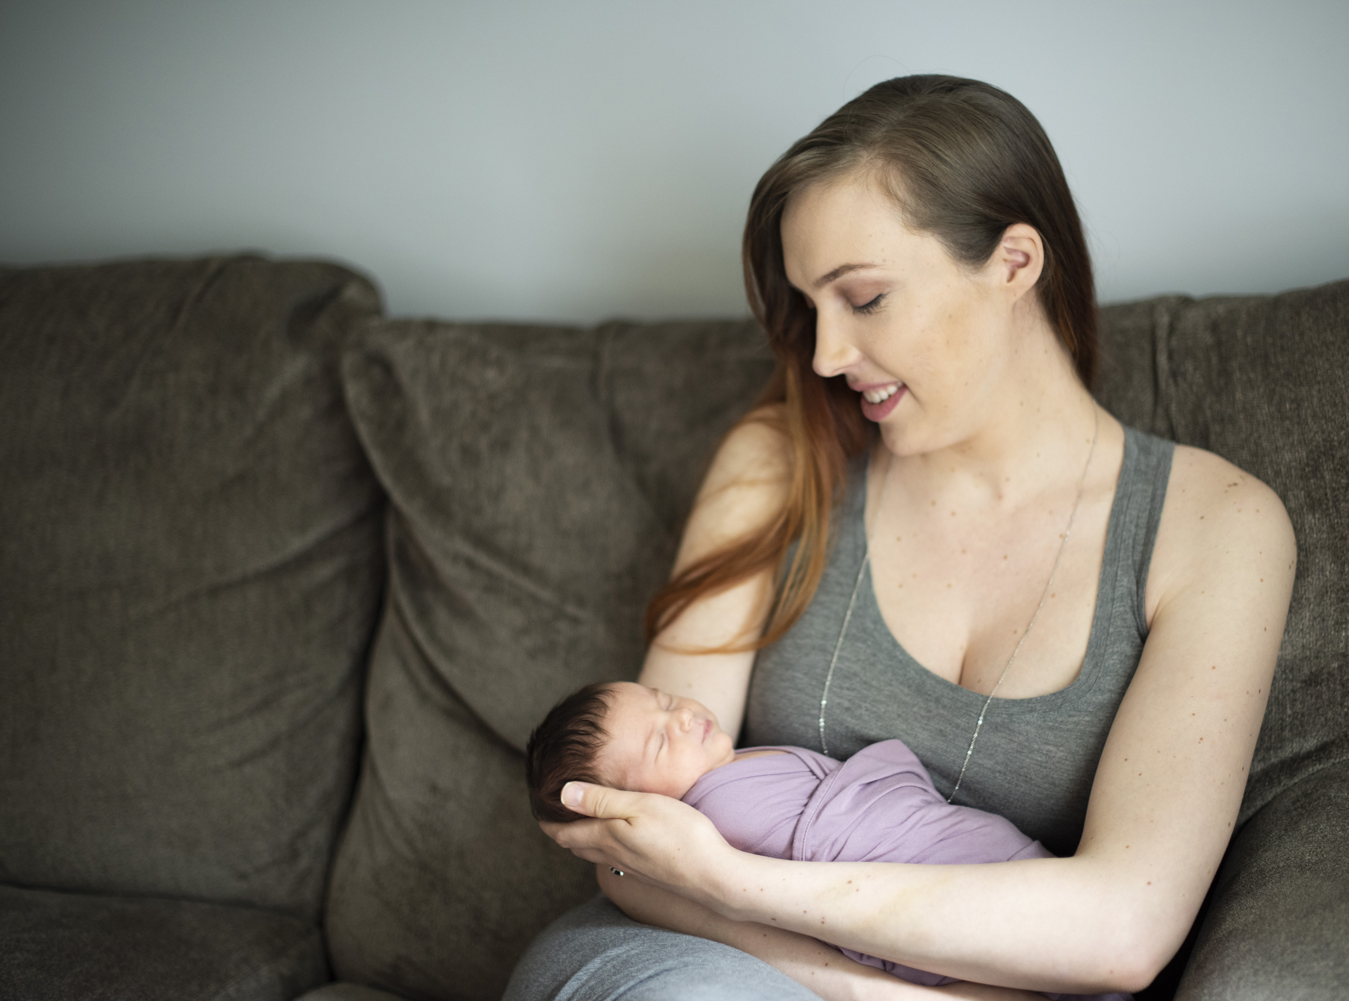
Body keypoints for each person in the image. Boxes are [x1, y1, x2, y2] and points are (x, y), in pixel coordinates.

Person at [504, 74, 1296, 1001]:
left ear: (1014, 263)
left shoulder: (1217, 528)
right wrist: (865, 989)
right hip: (711, 958)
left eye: (866, 298)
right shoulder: (779, 459)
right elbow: (637, 849)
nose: (826, 355)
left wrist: (743, 883)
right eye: (812, 307)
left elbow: (1124, 925)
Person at [525, 680, 1130, 1000]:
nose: (681, 715)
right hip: (922, 879)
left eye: (662, 700)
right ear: (639, 812)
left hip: (969, 867)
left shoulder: (723, 772)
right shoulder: (718, 811)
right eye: (660, 741)